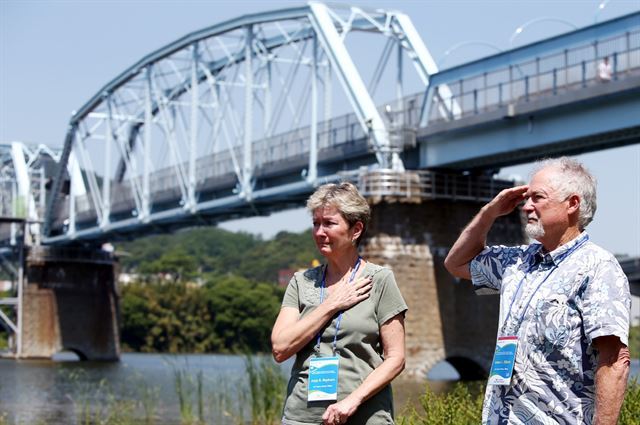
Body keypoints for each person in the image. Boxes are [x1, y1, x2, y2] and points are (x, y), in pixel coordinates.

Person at [444, 157, 630, 424]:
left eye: (538, 198)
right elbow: (456, 263)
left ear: (572, 204)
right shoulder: (517, 261)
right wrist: (489, 213)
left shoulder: (598, 268)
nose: (526, 207)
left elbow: (614, 360)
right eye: (526, 198)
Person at [272, 182, 408, 425]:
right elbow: (280, 349)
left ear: (355, 230)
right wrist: (331, 305)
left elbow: (396, 358)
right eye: (316, 223)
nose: (319, 232)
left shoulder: (379, 280)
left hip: (365, 416)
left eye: (329, 223)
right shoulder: (301, 282)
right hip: (302, 417)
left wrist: (352, 401)